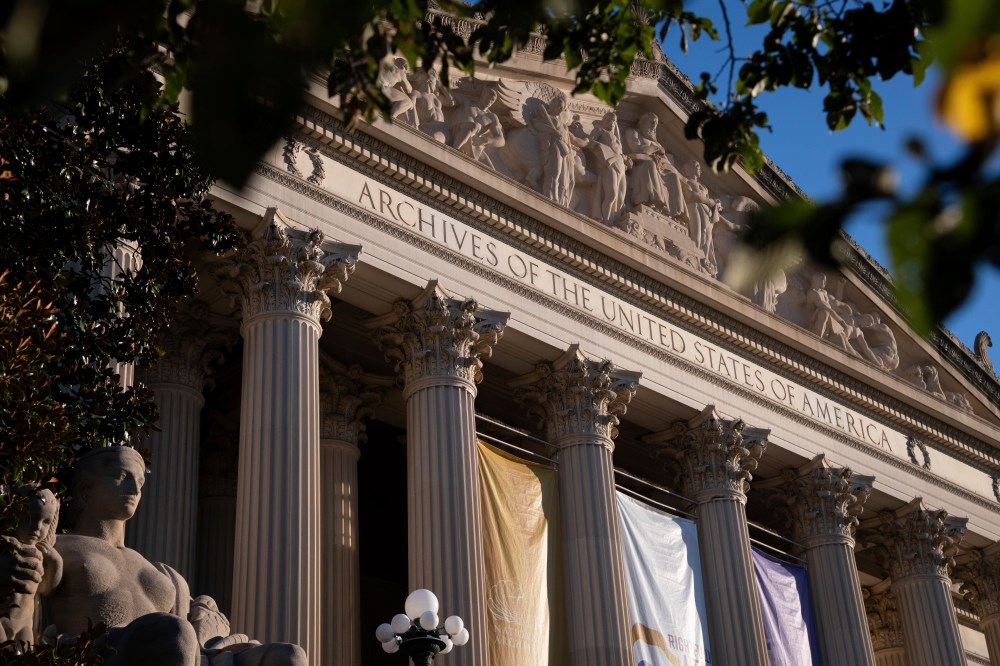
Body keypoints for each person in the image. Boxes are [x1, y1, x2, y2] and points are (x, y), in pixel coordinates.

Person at [2, 446, 306, 666]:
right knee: (172, 632)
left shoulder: (160, 571)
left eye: (140, 481)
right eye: (121, 476)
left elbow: (197, 637)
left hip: (183, 650)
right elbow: (28, 594)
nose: (134, 489)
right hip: (100, 653)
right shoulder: (59, 547)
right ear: (85, 491)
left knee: (288, 655)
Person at [0, 487, 62, 642]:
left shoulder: (40, 552)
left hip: (25, 624)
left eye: (46, 522)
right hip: (2, 619)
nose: (37, 527)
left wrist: (56, 562)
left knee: (25, 652)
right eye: (32, 518)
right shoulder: (5, 544)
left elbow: (47, 589)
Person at [588, 112, 628, 224]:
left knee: (621, 197)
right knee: (612, 194)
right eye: (608, 120)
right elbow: (591, 143)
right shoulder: (599, 131)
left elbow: (619, 152)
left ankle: (613, 219)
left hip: (621, 166)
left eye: (614, 121)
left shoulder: (617, 138)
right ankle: (606, 221)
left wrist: (625, 159)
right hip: (609, 164)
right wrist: (600, 147)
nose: (611, 123)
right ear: (603, 122)